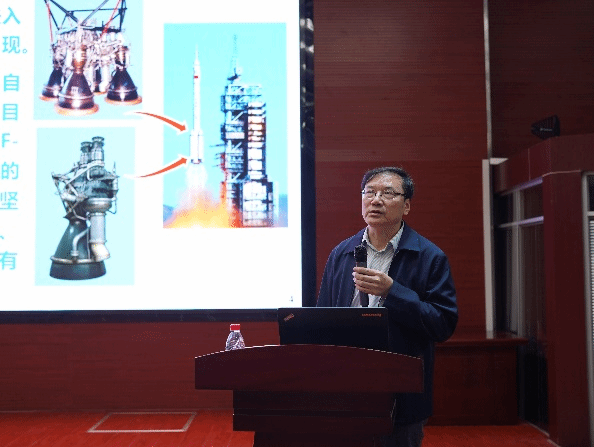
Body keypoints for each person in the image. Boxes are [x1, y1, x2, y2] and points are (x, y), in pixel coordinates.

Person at [316, 166, 458, 447]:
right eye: (370, 192)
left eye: (388, 193)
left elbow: (442, 324)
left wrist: (393, 292)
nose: (376, 200)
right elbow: (322, 320)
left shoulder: (430, 257)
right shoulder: (341, 253)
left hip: (399, 392)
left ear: (406, 206)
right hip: (346, 388)